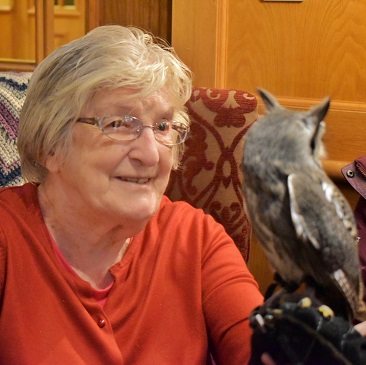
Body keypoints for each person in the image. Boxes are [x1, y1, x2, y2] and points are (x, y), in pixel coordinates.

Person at [0, 25, 263, 364]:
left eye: (164, 126)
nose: (151, 155)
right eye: (119, 124)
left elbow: (264, 350)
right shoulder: (8, 238)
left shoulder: (196, 240)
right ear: (50, 145)